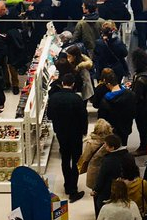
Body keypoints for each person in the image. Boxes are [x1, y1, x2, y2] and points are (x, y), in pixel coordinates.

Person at [48, 72, 88, 202]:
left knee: (65, 159)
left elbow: (49, 115)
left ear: (62, 83)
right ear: (73, 84)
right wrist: (84, 131)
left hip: (61, 133)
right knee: (76, 160)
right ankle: (73, 188)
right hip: (75, 134)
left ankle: (67, 185)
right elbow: (83, 117)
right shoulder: (77, 99)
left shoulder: (54, 98)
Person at [94, 68, 138, 144]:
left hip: (111, 130)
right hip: (125, 128)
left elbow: (101, 118)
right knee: (124, 145)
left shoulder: (105, 101)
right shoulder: (131, 95)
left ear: (108, 83)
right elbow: (134, 112)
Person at [94, 134, 135, 216]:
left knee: (98, 201)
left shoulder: (108, 161)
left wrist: (96, 190)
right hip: (128, 189)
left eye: (106, 146)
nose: (105, 147)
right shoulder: (129, 156)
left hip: (110, 191)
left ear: (112, 148)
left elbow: (101, 178)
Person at [79, 118, 114, 196]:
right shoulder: (111, 141)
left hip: (94, 169)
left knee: (96, 190)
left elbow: (86, 157)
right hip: (108, 168)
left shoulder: (91, 143)